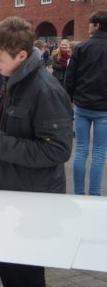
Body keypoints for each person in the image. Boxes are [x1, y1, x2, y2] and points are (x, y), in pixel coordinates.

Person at [0, 16, 72, 286]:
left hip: (33, 199)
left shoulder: (45, 90)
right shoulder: (13, 79)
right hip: (10, 190)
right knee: (6, 262)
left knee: (25, 273)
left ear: (22, 55)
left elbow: (57, 151)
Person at [65, 11, 107, 196]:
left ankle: (79, 193)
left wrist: (72, 98)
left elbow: (70, 78)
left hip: (82, 105)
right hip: (104, 108)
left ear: (97, 25)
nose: (89, 27)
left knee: (81, 149)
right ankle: (95, 193)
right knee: (99, 152)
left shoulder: (82, 48)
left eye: (91, 24)